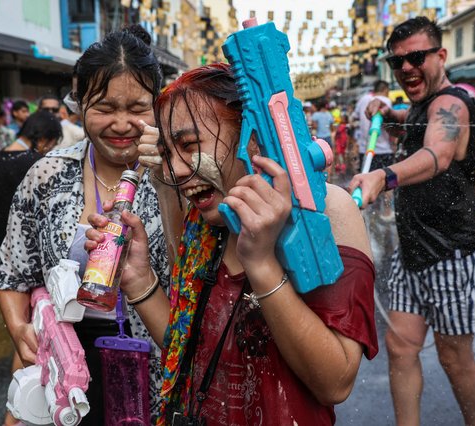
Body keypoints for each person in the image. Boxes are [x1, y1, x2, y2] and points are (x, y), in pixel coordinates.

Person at [86, 63, 378, 425]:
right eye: (167, 153)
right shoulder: (204, 219)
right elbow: (191, 349)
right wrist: (140, 281)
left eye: (189, 145)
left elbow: (335, 383)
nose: (176, 169)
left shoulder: (325, 209)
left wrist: (261, 264)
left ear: (251, 139)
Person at [0, 25, 171, 424]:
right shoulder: (48, 174)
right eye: (105, 108)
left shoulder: (179, 178)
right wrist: (18, 328)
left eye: (138, 108)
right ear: (80, 104)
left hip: (157, 360)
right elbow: (13, 272)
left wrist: (170, 178)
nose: (122, 124)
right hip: (66, 363)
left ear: (158, 104)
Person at [348, 17, 475, 426]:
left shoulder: (453, 104)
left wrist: (383, 175)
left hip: (454, 253)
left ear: (440, 56)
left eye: (416, 57)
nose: (406, 67)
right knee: (400, 345)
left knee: (454, 356)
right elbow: (416, 123)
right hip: (413, 251)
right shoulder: (423, 105)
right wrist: (388, 111)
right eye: (398, 62)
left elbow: (438, 154)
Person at [0, 110, 62, 426]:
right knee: (30, 337)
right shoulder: (36, 165)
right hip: (29, 262)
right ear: (42, 139)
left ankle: (15, 410)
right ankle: (17, 412)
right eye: (51, 143)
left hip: (5, 257)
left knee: (23, 334)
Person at [353, 80, 395, 220]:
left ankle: (368, 212)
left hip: (365, 150)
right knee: (389, 180)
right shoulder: (385, 101)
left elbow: (355, 119)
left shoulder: (363, 100)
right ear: (385, 90)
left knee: (365, 181)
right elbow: (391, 128)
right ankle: (387, 211)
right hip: (384, 150)